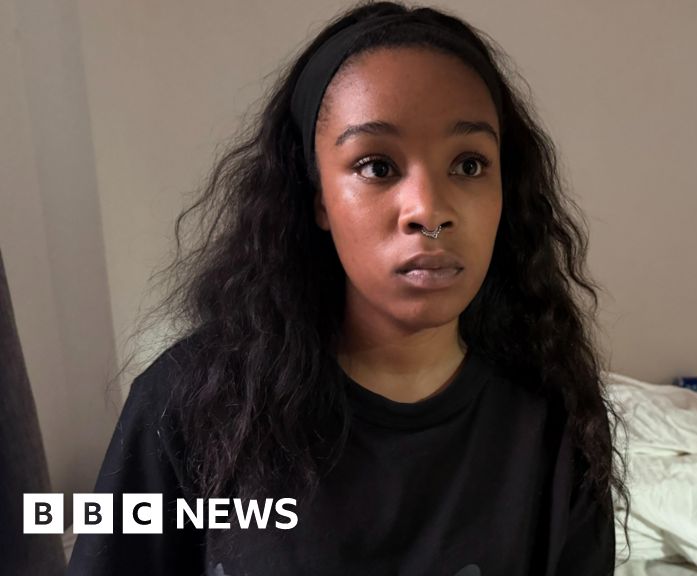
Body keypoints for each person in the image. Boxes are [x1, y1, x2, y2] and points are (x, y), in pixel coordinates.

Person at [67, 1, 628, 574]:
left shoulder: (554, 416)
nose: (429, 212)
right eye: (377, 166)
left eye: (468, 165)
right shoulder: (190, 403)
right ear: (318, 199)